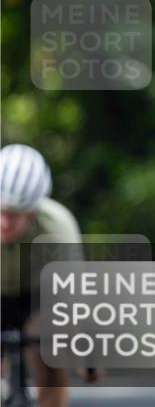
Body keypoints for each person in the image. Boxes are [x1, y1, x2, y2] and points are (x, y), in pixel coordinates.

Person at [1, 144, 84, 407]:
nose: (4, 223)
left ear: (33, 212)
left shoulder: (57, 227)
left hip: (39, 297)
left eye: (14, 214)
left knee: (50, 348)